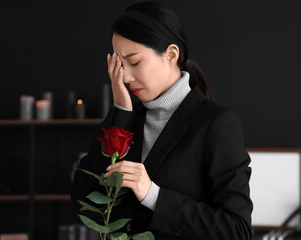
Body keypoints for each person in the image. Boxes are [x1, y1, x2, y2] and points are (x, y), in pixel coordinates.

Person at [71, 1, 253, 239]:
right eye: (119, 65)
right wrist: (120, 113)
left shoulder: (217, 124)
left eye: (134, 62)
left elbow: (237, 231)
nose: (124, 76)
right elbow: (83, 199)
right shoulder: (127, 118)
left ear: (171, 54)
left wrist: (153, 195)